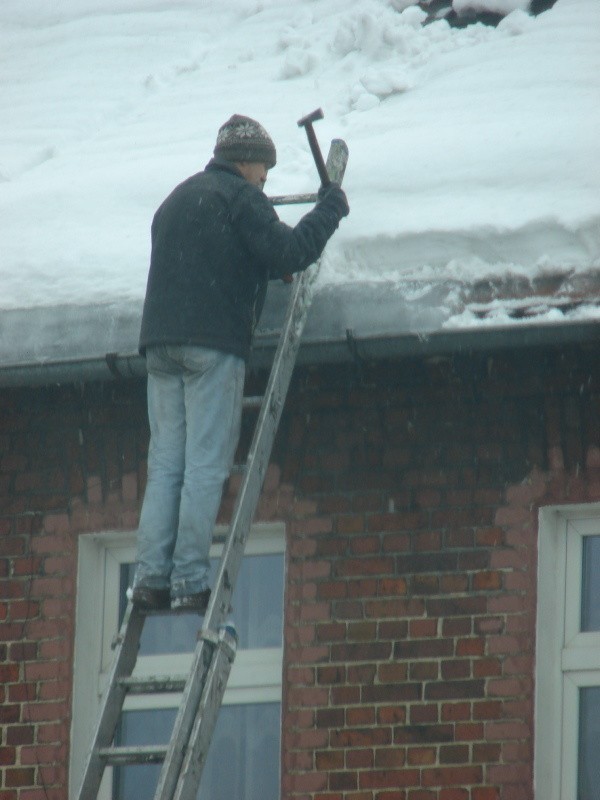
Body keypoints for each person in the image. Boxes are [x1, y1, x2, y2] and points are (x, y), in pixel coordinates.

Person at [132, 114, 349, 612]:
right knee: (206, 465)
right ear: (247, 162)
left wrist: (263, 267)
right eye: (264, 171)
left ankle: (149, 577)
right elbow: (293, 250)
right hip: (212, 348)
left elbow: (212, 259)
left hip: (161, 345)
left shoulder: (175, 199)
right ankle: (188, 579)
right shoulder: (241, 197)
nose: (265, 181)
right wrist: (330, 208)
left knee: (166, 465)